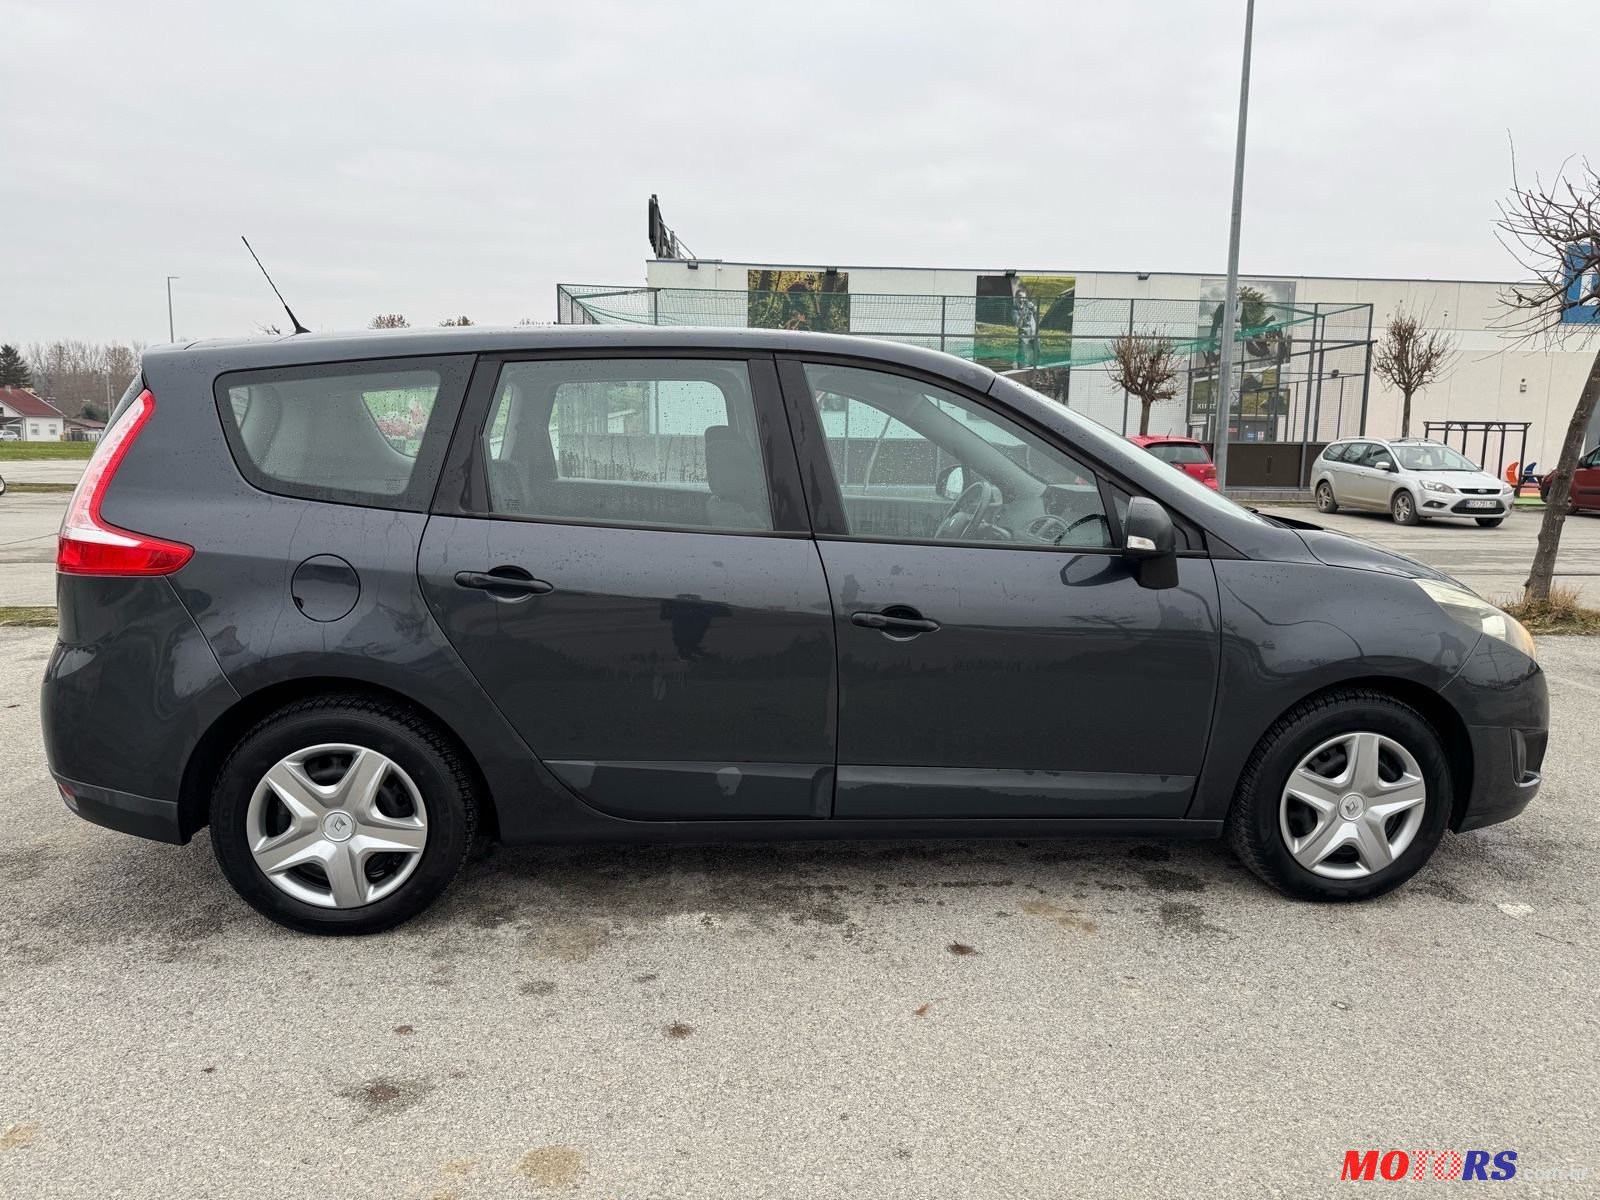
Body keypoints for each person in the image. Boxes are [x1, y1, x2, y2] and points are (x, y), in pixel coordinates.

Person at [1013, 285, 1040, 369]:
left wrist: (1034, 308)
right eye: (1021, 297)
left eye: (1024, 297)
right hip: (1024, 334)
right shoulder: (1014, 309)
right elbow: (1018, 325)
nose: (1023, 299)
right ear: (1016, 297)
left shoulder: (1028, 305)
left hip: (1034, 333)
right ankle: (1020, 370)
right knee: (1022, 354)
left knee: (1037, 352)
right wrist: (1022, 315)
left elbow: (1037, 315)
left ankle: (1034, 369)